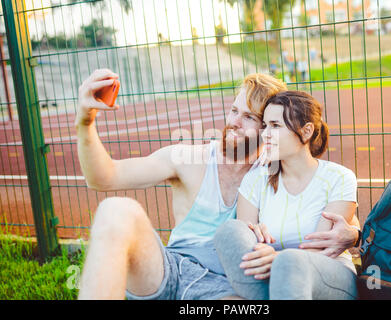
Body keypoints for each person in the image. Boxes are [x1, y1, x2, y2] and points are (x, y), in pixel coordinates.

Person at [75, 69, 360, 300]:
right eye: (234, 110)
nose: (234, 122)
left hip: (225, 285)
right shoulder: (188, 158)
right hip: (169, 268)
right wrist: (85, 122)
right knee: (116, 210)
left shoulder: (270, 172)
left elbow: (325, 212)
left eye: (249, 117)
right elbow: (103, 177)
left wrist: (354, 233)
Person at [214, 90, 359, 300]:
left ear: (306, 131)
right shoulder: (256, 179)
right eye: (265, 126)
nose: (265, 134)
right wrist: (255, 238)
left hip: (328, 274)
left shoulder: (339, 177)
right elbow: (248, 241)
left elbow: (320, 249)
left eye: (275, 126)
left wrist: (277, 258)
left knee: (290, 263)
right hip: (270, 278)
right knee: (230, 231)